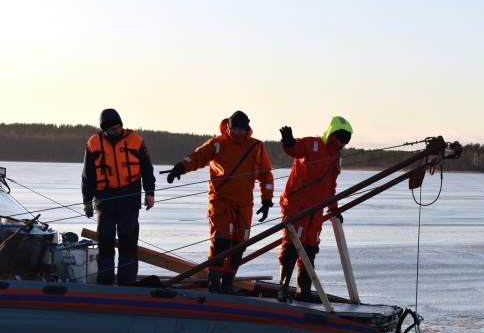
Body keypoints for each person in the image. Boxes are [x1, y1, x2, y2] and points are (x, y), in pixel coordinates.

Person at [166, 111, 274, 294]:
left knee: (239, 245)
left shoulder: (256, 147)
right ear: (229, 127)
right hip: (221, 201)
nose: (239, 132)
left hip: (245, 204)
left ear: (247, 128)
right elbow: (198, 157)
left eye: (242, 128)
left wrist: (267, 200)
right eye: (236, 128)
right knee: (221, 241)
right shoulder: (217, 144)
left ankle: (227, 283)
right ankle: (214, 283)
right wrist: (180, 168)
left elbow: (266, 175)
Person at [276, 116, 352, 302]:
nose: (343, 144)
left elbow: (330, 186)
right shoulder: (312, 144)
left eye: (346, 141)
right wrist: (287, 141)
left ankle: (304, 291)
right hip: (297, 205)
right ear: (333, 135)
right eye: (341, 139)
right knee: (292, 245)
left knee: (310, 248)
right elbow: (295, 149)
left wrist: (334, 209)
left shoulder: (336, 158)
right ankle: (283, 290)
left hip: (315, 210)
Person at [81, 108, 156, 286]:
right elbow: (88, 175)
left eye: (119, 127)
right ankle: (105, 283)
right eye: (113, 129)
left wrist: (150, 193)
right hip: (104, 199)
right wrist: (86, 201)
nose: (117, 131)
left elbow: (147, 169)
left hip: (129, 197)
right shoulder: (93, 143)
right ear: (104, 130)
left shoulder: (136, 140)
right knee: (105, 242)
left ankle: (127, 283)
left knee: (128, 243)